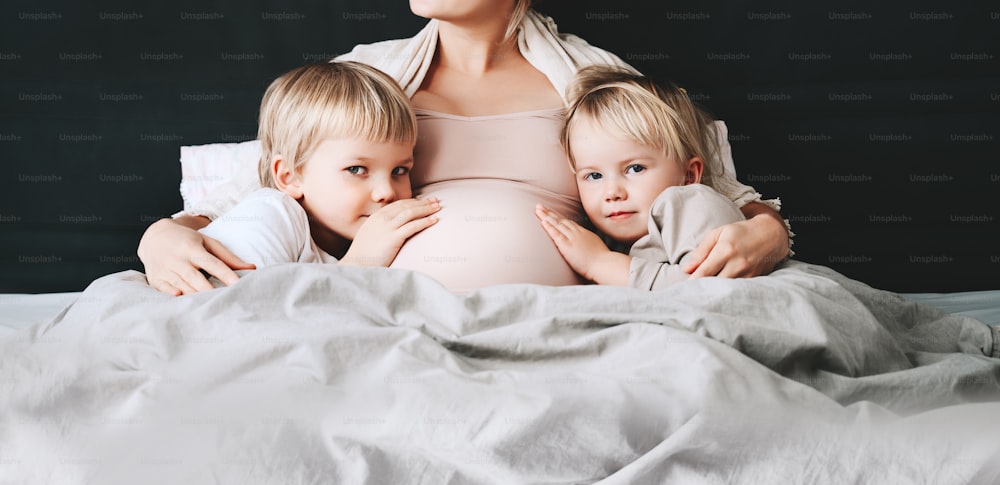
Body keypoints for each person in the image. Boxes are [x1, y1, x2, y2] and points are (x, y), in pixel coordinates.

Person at [137, 0, 791, 295]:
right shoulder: (368, 75)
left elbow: (721, 192)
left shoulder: (591, 76)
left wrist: (768, 235)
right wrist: (163, 235)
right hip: (385, 319)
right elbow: (264, 184)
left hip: (550, 322)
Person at [198, 61, 440, 275]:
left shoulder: (350, 236)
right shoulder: (269, 217)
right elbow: (247, 314)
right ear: (290, 176)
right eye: (356, 169)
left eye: (399, 171)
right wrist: (357, 265)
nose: (386, 192)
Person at [535, 65, 750, 289]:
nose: (613, 193)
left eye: (635, 169)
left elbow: (704, 286)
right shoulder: (610, 236)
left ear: (688, 175)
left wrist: (598, 263)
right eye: (595, 175)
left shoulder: (694, 205)